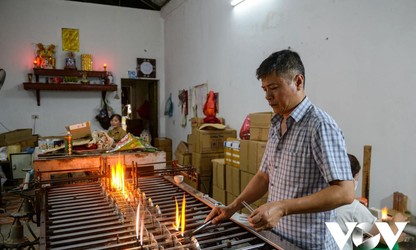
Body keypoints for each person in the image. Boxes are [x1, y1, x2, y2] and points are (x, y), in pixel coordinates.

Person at [205, 50, 355, 249]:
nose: (268, 96)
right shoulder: (277, 122)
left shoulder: (320, 126)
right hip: (275, 237)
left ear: (298, 82)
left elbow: (345, 192)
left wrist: (282, 208)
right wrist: (232, 207)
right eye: (264, 89)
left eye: (274, 88)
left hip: (307, 243)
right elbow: (264, 176)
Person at [336, 154, 408, 250]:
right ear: (350, 180)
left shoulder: (318, 200)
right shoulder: (354, 208)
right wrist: (398, 223)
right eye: (356, 180)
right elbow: (387, 238)